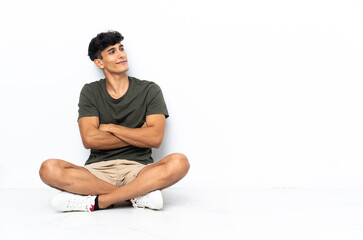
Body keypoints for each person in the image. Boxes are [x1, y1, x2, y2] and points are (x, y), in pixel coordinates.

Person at [39, 30, 190, 212]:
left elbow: (155, 138)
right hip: (97, 171)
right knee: (48, 168)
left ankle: (98, 202)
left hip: (139, 170)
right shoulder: (90, 92)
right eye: (112, 51)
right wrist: (139, 134)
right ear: (99, 62)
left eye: (121, 48)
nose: (121, 55)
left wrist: (110, 128)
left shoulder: (149, 90)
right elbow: (90, 139)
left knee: (180, 162)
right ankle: (136, 196)